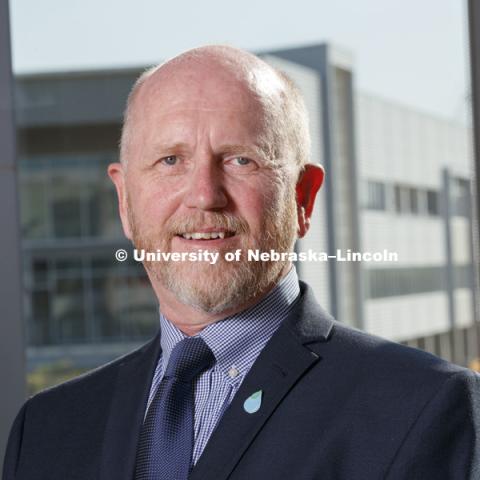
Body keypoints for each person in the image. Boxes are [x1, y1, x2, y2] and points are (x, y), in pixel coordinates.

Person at [3, 45, 479, 480]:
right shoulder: (45, 429)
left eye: (241, 161)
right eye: (170, 160)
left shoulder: (423, 407)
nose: (205, 196)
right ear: (125, 200)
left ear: (303, 199)